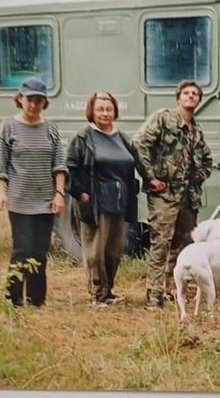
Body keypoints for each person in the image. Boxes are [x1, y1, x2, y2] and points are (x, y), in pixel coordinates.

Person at [133, 79, 213, 310]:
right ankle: (154, 295)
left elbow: (207, 160)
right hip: (164, 196)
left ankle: (170, 288)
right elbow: (139, 144)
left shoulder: (196, 131)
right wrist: (150, 178)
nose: (191, 96)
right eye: (186, 93)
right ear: (179, 98)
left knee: (183, 245)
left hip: (188, 199)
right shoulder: (164, 118)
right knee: (161, 244)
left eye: (195, 94)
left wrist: (196, 178)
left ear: (199, 100)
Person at [0, 78, 67, 308]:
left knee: (40, 251)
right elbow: (0, 165)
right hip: (20, 200)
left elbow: (59, 164)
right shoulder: (8, 126)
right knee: (22, 251)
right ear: (20, 99)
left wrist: (59, 194)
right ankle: (13, 300)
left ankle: (37, 301)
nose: (33, 105)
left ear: (44, 102)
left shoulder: (51, 128)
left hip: (45, 200)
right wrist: (2, 193)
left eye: (38, 100)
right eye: (29, 99)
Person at [66, 91, 140, 308]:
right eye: (100, 109)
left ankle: (109, 291)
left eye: (109, 109)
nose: (105, 113)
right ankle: (98, 293)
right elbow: (70, 168)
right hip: (95, 201)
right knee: (95, 250)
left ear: (115, 111)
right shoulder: (83, 138)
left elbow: (137, 161)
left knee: (114, 249)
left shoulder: (122, 137)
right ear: (92, 111)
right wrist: (80, 192)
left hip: (119, 200)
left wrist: (152, 179)